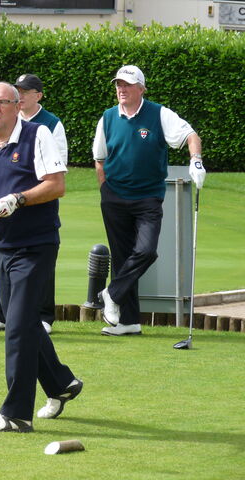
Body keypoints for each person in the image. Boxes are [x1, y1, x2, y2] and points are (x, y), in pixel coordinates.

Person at [0, 81, 82, 432]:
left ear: (17, 106)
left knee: (16, 326)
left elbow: (56, 184)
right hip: (3, 247)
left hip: (37, 245)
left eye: (2, 102)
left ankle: (16, 414)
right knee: (26, 322)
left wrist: (17, 199)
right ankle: (61, 383)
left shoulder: (38, 135)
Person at [93, 65, 206, 336]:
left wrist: (196, 161)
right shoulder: (108, 117)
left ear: (141, 89)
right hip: (115, 197)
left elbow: (191, 135)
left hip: (147, 197)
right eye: (118, 84)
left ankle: (111, 293)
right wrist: (105, 190)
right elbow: (100, 158)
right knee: (121, 259)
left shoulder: (159, 113)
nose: (121, 89)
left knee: (146, 251)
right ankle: (128, 321)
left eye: (127, 85)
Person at [0, 74, 68, 335]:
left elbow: (56, 173)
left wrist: (19, 198)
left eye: (25, 92)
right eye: (19, 91)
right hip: (2, 218)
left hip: (38, 204)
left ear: (36, 96)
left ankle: (43, 315)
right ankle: (0, 312)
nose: (22, 95)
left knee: (39, 262)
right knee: (3, 258)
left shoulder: (48, 126)